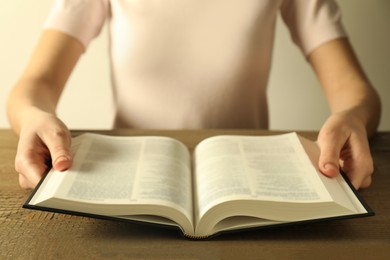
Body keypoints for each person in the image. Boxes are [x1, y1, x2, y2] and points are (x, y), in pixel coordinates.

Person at [7, 0, 381, 190]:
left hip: (247, 186)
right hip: (127, 181)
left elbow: (354, 91)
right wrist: (33, 116)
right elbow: (34, 84)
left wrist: (353, 117)